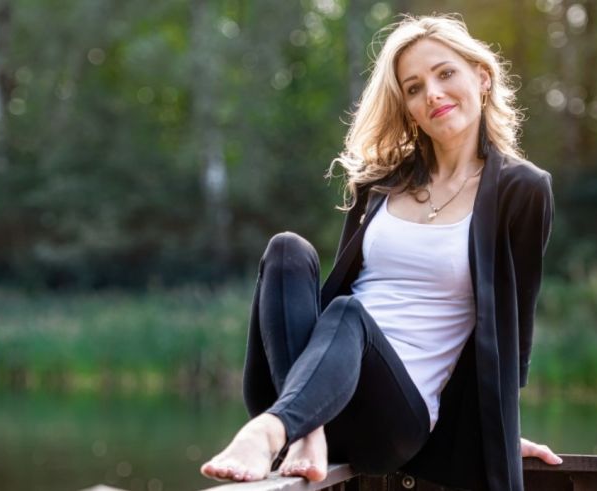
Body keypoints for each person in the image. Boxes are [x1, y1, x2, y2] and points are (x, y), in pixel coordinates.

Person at [201, 14, 561, 490]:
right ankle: (307, 429)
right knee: (287, 249)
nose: (431, 93)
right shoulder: (380, 185)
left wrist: (500, 432)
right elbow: (335, 293)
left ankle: (272, 429)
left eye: (445, 73)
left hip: (394, 421)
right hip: (320, 390)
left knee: (351, 314)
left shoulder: (523, 190)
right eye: (413, 87)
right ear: (407, 106)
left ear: (482, 77)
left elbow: (515, 328)